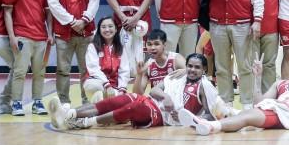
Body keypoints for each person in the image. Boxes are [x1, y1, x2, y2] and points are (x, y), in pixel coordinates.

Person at [49, 53, 224, 130]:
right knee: (120, 100)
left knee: (136, 104)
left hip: (163, 116)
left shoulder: (205, 86)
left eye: (197, 68)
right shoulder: (178, 75)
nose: (192, 70)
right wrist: (166, 96)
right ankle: (68, 115)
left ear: (204, 70)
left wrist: (190, 118)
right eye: (190, 66)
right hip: (155, 102)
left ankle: (86, 122)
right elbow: (155, 90)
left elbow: (210, 115)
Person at [200, 0, 264, 108]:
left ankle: (247, 103)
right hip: (217, 24)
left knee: (245, 67)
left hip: (242, 24)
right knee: (222, 67)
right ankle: (226, 103)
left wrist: (257, 20)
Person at [2, 0, 54, 116]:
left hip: (41, 37)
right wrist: (12, 36)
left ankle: (37, 102)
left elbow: (48, 14)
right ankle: (16, 103)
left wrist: (50, 34)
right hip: (22, 36)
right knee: (20, 72)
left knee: (39, 72)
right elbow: (7, 13)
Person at [47, 0, 100, 105]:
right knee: (63, 70)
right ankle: (64, 103)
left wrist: (83, 20)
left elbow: (94, 1)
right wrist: (72, 21)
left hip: (87, 32)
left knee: (87, 69)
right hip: (63, 34)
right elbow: (53, 5)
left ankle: (87, 101)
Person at [83, 17, 131, 103]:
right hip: (98, 83)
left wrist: (122, 90)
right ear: (99, 30)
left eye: (110, 26)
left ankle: (98, 107)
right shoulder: (92, 47)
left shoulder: (121, 49)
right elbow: (94, 69)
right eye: (103, 27)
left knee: (127, 102)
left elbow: (124, 71)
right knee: (93, 87)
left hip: (114, 88)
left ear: (116, 29)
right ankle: (99, 107)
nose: (107, 29)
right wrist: (107, 85)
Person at [132, 29, 186, 95]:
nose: (152, 48)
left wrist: (185, 71)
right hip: (157, 101)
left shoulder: (176, 59)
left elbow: (193, 75)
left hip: (176, 98)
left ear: (164, 45)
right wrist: (139, 74)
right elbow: (137, 94)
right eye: (149, 44)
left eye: (156, 44)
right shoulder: (147, 66)